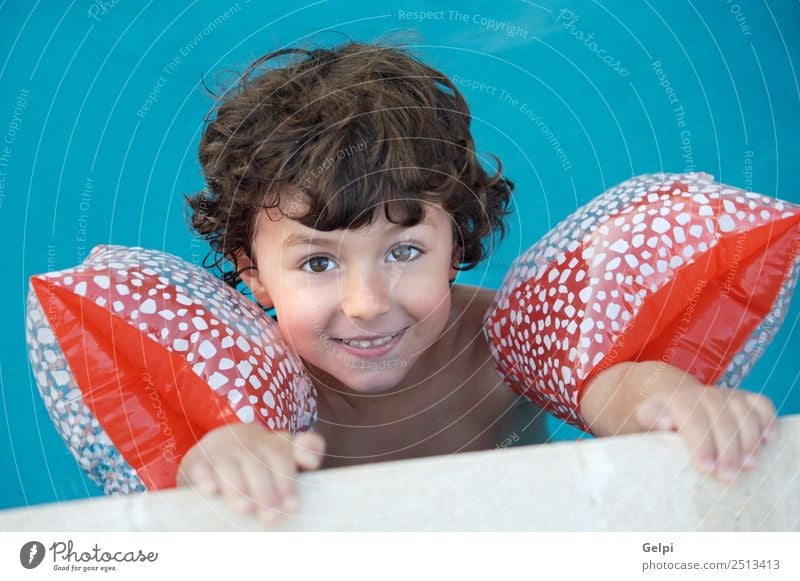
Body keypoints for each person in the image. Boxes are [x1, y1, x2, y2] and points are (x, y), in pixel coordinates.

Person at [178, 41, 776, 523]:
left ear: (457, 244)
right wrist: (220, 454)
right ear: (252, 273)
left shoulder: (504, 341)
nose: (366, 305)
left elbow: (606, 389)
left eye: (405, 250)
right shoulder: (249, 385)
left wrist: (658, 393)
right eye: (318, 263)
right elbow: (184, 477)